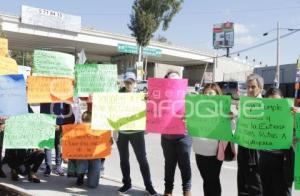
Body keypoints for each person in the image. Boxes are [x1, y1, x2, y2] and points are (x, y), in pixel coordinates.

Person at [116, 71, 157, 195]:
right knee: (124, 159)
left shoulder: (142, 96)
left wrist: (148, 126)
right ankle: (127, 183)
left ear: (135, 83)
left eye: (131, 82)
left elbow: (149, 110)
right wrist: (114, 131)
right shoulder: (117, 95)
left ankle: (148, 185)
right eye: (127, 82)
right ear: (124, 82)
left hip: (137, 132)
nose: (129, 84)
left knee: (142, 159)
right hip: (122, 132)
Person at [193, 83, 236, 196]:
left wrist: (231, 120)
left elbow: (231, 131)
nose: (207, 95)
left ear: (217, 95)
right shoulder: (197, 108)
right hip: (199, 151)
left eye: (210, 93)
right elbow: (191, 127)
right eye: (205, 93)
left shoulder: (223, 109)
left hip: (214, 152)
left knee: (213, 180)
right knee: (206, 181)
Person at [259, 87, 295, 196]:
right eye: (270, 102)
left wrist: (297, 117)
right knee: (266, 191)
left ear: (283, 100)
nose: (274, 106)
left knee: (283, 192)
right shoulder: (261, 115)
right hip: (265, 159)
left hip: (283, 161)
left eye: (277, 102)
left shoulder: (291, 115)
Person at [161, 70, 192, 196]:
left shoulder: (188, 97)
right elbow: (154, 115)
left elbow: (196, 114)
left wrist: (188, 116)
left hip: (184, 136)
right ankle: (168, 191)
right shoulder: (160, 96)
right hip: (167, 137)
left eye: (176, 82)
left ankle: (187, 191)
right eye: (170, 81)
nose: (173, 84)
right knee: (169, 165)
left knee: (185, 164)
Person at [4, 105, 45, 183]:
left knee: (41, 153)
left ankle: (32, 173)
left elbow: (36, 120)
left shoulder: (27, 107)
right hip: (14, 154)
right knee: (20, 151)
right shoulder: (11, 108)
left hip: (26, 155)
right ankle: (14, 170)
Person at [237, 73, 263, 196]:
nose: (249, 90)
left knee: (255, 188)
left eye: (253, 87)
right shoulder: (244, 104)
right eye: (247, 87)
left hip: (256, 154)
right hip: (243, 150)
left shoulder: (267, 105)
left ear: (260, 88)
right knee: (242, 187)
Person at [40, 103, 75, 176]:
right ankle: (49, 167)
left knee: (57, 143)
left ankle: (57, 166)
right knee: (49, 144)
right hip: (47, 119)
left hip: (58, 120)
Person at [76, 110, 102, 188]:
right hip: (82, 156)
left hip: (95, 157)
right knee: (81, 165)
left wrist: (109, 141)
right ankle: (80, 176)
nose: (86, 122)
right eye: (85, 120)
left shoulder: (99, 129)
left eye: (88, 120)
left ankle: (91, 175)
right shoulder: (78, 129)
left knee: (92, 185)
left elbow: (106, 144)